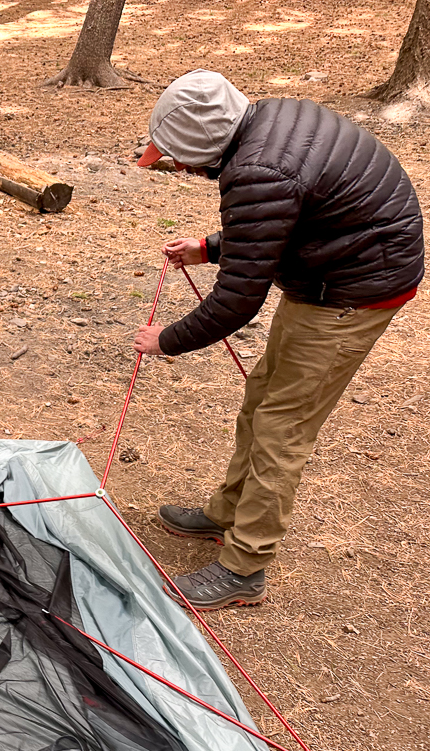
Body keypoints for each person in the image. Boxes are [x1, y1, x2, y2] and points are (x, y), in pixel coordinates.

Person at [132, 70, 423, 610]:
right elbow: (290, 219)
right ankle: (226, 512)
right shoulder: (266, 124)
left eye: (177, 159)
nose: (180, 169)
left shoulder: (258, 169)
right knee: (263, 394)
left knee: (282, 427)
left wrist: (166, 340)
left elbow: (237, 302)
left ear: (204, 147)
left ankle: (244, 567)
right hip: (331, 270)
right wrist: (210, 246)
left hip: (353, 291)